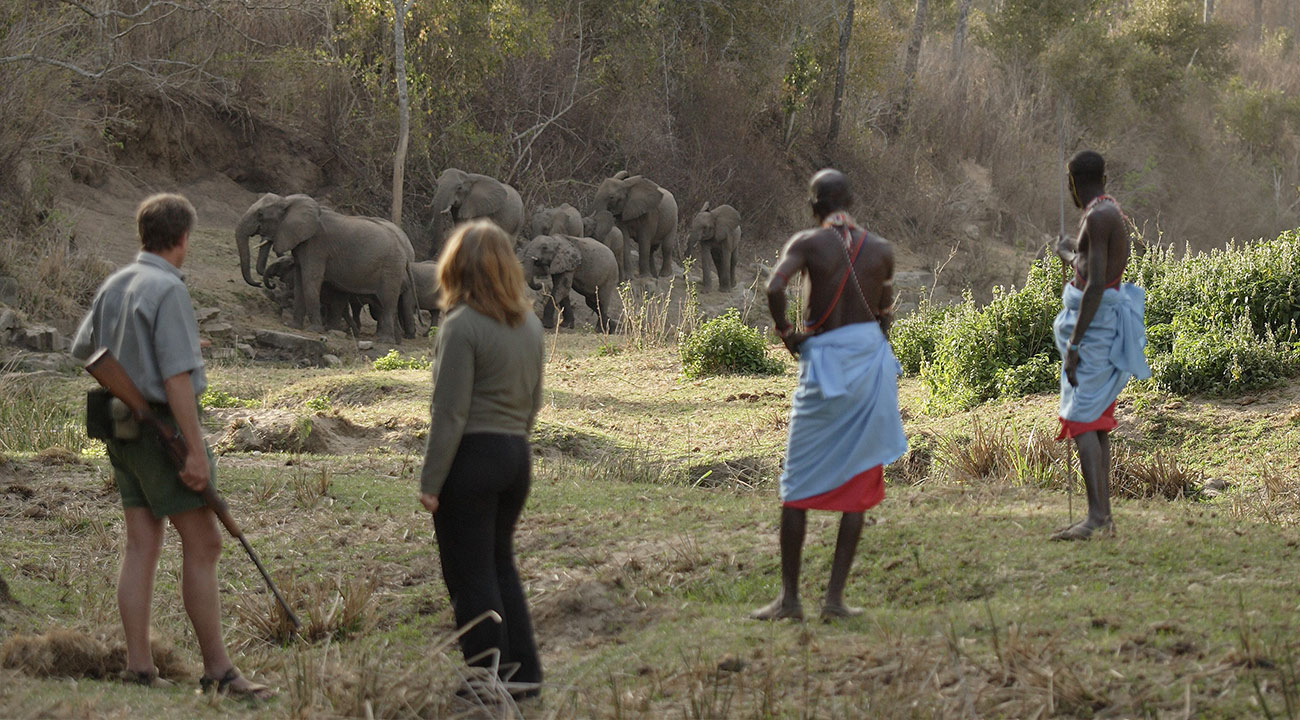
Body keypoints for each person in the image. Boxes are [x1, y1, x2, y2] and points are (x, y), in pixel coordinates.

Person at [71, 194, 271, 698]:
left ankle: (139, 666)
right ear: (183, 240)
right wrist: (196, 451)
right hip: (162, 429)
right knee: (204, 543)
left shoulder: (117, 282)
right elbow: (176, 379)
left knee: (141, 543)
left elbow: (86, 351)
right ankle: (219, 670)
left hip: (120, 427)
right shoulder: (169, 290)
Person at [753, 169, 908, 621]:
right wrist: (873, 336)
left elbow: (775, 286)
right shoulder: (881, 250)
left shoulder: (807, 243)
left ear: (813, 205)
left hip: (822, 363)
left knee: (797, 482)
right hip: (867, 363)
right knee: (860, 477)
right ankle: (835, 600)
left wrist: (787, 334)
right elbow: (885, 307)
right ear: (852, 201)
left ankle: (790, 600)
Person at [418, 219, 545, 697]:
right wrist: (510, 445)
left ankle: (487, 679)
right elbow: (533, 403)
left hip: (473, 457)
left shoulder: (461, 325)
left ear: (456, 267)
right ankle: (523, 674)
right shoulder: (530, 325)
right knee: (500, 565)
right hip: (515, 455)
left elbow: (449, 413)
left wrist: (431, 480)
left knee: (469, 573)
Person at [1049, 151, 1151, 541]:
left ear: (1072, 182)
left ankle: (1095, 517)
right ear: (1104, 177)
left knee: (1081, 420)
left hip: (1092, 331)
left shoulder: (1096, 216)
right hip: (1100, 324)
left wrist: (1074, 346)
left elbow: (1094, 285)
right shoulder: (1109, 211)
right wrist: (1069, 251)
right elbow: (1092, 265)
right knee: (1095, 421)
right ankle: (1102, 516)